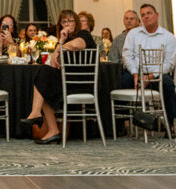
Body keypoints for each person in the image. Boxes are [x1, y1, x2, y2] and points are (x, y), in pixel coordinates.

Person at [21, 9, 96, 145]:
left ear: (77, 22)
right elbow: (52, 64)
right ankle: (50, 127)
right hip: (67, 82)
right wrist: (61, 40)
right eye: (64, 21)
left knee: (43, 78)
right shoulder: (64, 39)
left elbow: (76, 45)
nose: (67, 24)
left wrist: (58, 49)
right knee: (42, 77)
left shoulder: (83, 34)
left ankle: (39, 116)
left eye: (70, 20)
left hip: (81, 83)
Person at [123, 3, 176, 135]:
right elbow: (127, 55)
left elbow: (169, 63)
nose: (146, 17)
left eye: (149, 13)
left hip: (158, 75)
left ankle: (170, 123)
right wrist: (135, 74)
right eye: (143, 15)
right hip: (136, 73)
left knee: (168, 84)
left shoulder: (168, 37)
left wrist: (151, 77)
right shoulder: (133, 34)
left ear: (157, 15)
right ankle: (121, 123)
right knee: (118, 81)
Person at [108, 9, 140, 87]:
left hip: (143, 70)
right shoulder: (117, 40)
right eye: (126, 19)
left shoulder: (144, 37)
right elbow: (112, 60)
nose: (129, 21)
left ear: (138, 21)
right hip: (124, 71)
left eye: (132, 19)